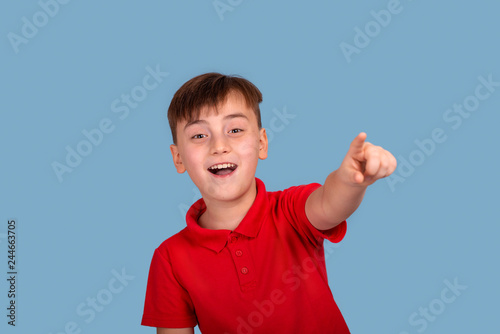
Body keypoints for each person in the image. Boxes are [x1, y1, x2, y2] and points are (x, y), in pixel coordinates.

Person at [141, 73, 397, 334]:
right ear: (178, 158)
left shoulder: (291, 209)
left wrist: (350, 180)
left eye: (235, 130)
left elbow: (330, 204)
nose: (219, 146)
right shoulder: (170, 258)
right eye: (198, 136)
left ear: (262, 143)